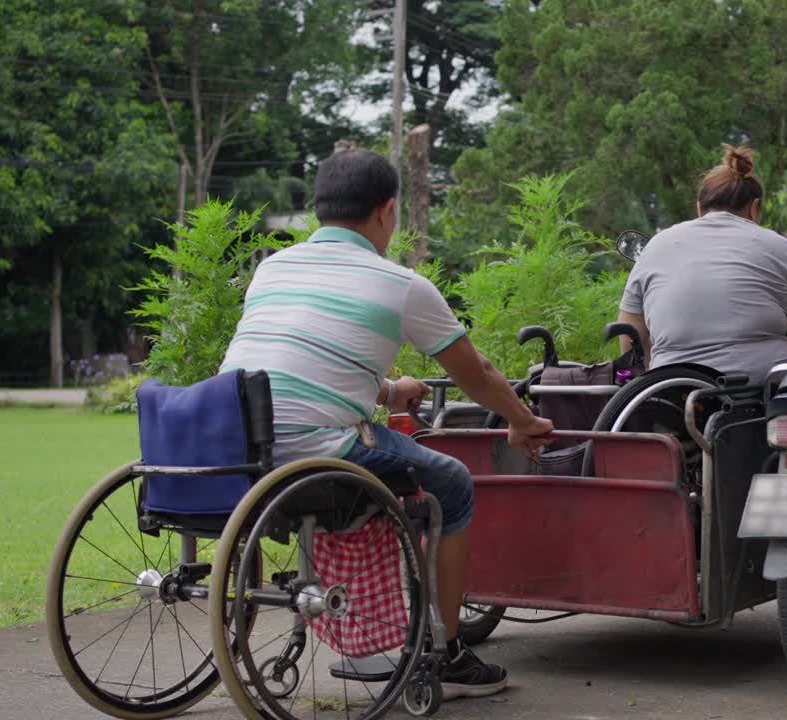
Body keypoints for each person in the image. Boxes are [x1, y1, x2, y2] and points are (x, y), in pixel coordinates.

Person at [220, 148, 553, 700]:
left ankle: (381, 630)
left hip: (238, 447)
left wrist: (390, 390)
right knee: (451, 482)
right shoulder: (399, 284)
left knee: (396, 455)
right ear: (387, 211)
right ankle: (445, 652)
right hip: (318, 455)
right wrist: (521, 421)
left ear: (319, 209)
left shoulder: (272, 268)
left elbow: (297, 362)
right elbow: (479, 372)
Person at [615, 144, 787, 383]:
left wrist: (647, 382)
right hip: (766, 395)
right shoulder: (782, 248)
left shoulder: (656, 246)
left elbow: (629, 335)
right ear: (755, 208)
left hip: (673, 395)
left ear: (700, 208)